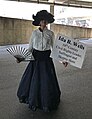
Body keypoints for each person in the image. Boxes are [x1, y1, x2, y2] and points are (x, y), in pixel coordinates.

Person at [17, 10, 68, 112]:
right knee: (34, 80)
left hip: (46, 59)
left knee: (46, 81)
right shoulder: (34, 33)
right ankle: (34, 101)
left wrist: (62, 61)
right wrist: (21, 58)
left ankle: (46, 102)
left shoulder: (50, 34)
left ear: (48, 22)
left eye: (45, 20)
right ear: (39, 21)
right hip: (35, 59)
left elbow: (54, 49)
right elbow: (30, 48)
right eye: (42, 20)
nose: (44, 22)